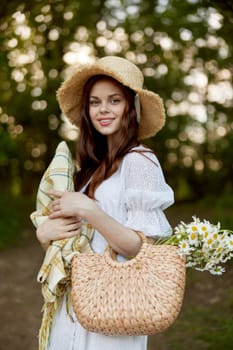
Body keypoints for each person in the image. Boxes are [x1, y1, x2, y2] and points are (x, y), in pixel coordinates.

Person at [34, 56, 174, 350]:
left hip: (115, 303)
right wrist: (44, 235)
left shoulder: (140, 161)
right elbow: (75, 242)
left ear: (130, 107)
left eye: (114, 100)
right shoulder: (90, 170)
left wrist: (89, 209)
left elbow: (142, 249)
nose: (103, 110)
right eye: (95, 102)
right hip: (74, 302)